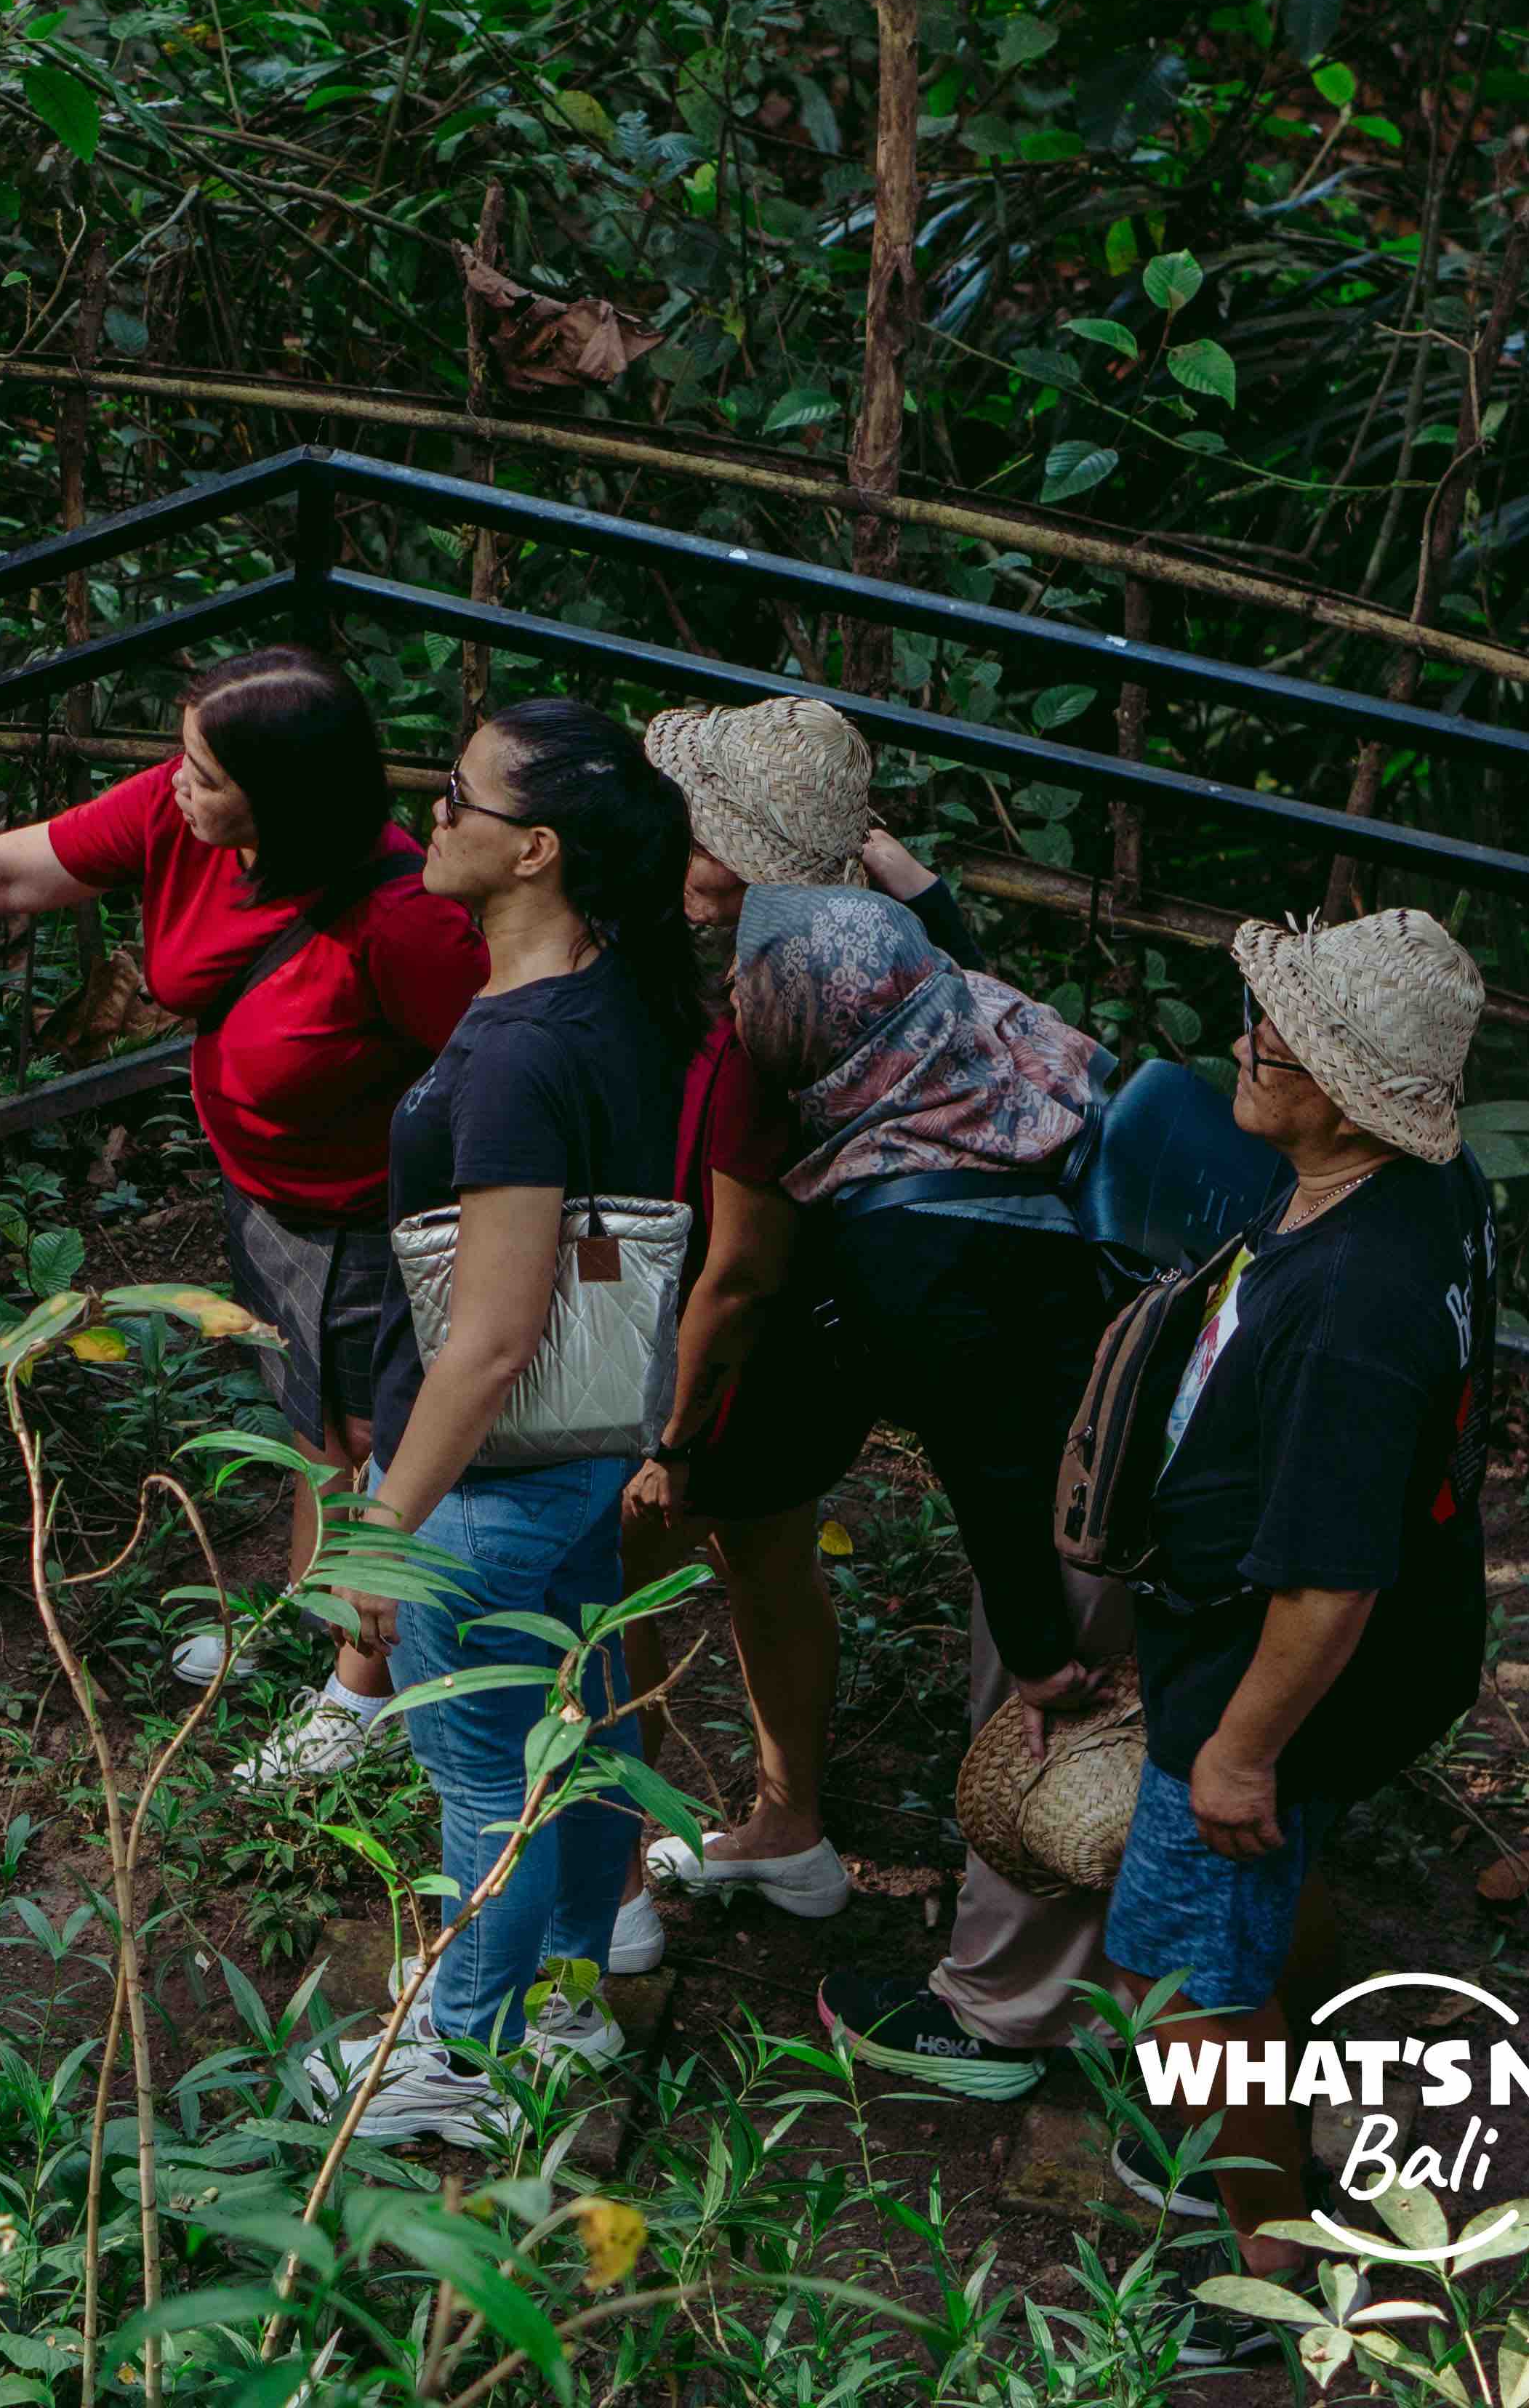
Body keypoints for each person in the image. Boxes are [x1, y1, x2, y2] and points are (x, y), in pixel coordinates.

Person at [0, 650, 486, 1781]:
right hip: (269, 1198)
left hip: (371, 1223)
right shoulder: (186, 822)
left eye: (206, 772)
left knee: (381, 1445)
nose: (176, 782)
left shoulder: (410, 927)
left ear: (285, 798)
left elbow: (496, 1083)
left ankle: (359, 1693)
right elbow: (7, 876)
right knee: (308, 1425)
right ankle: (309, 1618)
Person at [295, 698, 699, 2149]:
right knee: (577, 1739)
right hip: (591, 1443)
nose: (431, 816)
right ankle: (568, 1991)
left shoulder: (524, 1053)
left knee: (488, 1784)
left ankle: (462, 2060)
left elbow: (493, 1331)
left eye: (455, 796)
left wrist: (383, 1534)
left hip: (498, 1471)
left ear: (534, 849)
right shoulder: (622, 993)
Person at [1096, 908, 1496, 2368]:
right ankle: (1272, 2103)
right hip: (1334, 1652)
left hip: (1265, 1681)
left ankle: (1273, 2253)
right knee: (1235, 1937)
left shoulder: (1351, 1305)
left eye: (1278, 1032)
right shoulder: (1417, 1193)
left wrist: (1239, 1749)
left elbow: (1328, 1577)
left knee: (1185, 1980)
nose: (1245, 1041)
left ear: (1340, 1085)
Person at [665, 882, 1136, 2105]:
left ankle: (1001, 2017)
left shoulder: (905, 1223)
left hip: (1098, 1483)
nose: (732, 998)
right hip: (1164, 1395)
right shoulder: (1007, 1041)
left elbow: (997, 1460)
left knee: (1051, 1742)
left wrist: (1034, 1650)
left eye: (754, 990)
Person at [617, 695, 1002, 1974]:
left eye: (705, 832)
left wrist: (665, 1432)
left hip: (743, 1358)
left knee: (620, 1581)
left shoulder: (762, 1021)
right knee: (772, 1564)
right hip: (831, 1347)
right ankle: (788, 1826)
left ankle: (608, 1876)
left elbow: (735, 1273)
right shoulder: (891, 953)